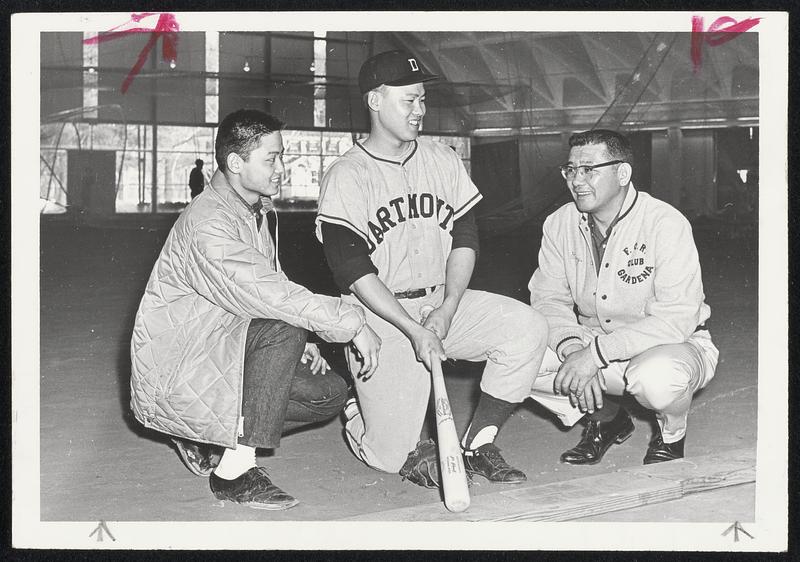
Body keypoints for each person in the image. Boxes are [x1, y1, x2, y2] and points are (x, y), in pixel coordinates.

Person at [315, 50, 548, 489]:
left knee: (526, 327)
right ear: (375, 101)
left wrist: (447, 307)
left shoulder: (442, 158)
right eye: (409, 100)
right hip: (381, 315)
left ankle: (479, 443)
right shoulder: (347, 174)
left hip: (441, 302)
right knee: (389, 456)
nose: (420, 110)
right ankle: (352, 405)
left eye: (422, 99)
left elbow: (466, 238)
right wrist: (413, 328)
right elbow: (350, 267)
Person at [130, 109, 381, 510]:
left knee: (328, 395)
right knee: (283, 329)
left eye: (282, 156)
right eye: (272, 158)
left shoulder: (253, 210)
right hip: (180, 368)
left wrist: (307, 340)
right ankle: (234, 473)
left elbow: (272, 284)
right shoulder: (208, 223)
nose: (282, 167)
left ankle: (208, 437)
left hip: (221, 348)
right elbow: (266, 293)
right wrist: (351, 323)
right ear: (235, 163)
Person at [527, 129, 719, 465]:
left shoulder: (665, 223)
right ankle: (607, 419)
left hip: (671, 345)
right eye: (571, 170)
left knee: (658, 379)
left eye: (589, 169)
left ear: (623, 173)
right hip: (593, 344)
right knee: (516, 355)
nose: (577, 180)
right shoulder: (558, 224)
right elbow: (547, 300)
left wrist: (596, 355)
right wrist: (574, 349)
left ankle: (671, 435)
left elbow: (676, 318)